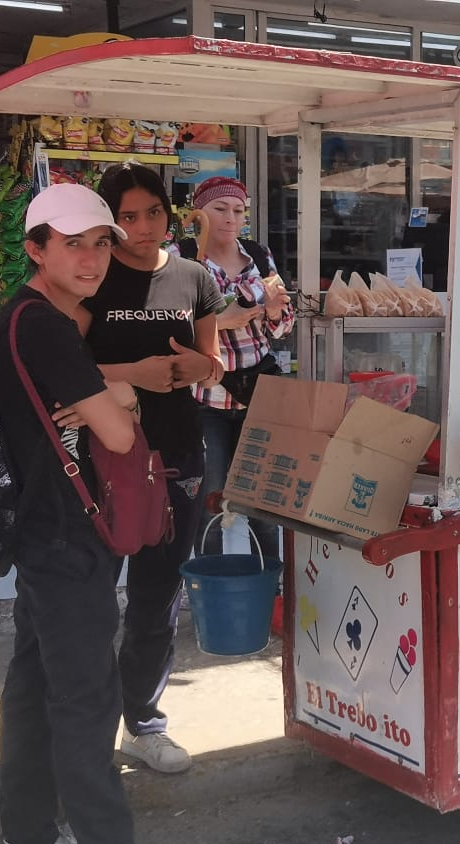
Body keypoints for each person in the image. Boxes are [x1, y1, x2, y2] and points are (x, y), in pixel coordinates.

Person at [0, 183, 142, 844]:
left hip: (41, 530)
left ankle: (27, 838)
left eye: (100, 242)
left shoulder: (20, 316)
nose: (90, 258)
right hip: (68, 539)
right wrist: (125, 401)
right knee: (85, 701)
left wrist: (114, 393)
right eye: (71, 244)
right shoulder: (46, 325)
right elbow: (117, 435)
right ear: (35, 248)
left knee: (33, 685)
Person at [79, 162, 226, 775]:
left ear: (171, 214)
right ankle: (83, 730)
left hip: (179, 458)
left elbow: (211, 362)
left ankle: (142, 721)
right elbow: (60, 370)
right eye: (128, 217)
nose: (143, 228)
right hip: (103, 461)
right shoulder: (93, 278)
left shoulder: (196, 278)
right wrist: (130, 375)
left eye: (154, 213)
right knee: (87, 598)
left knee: (157, 596)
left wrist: (201, 368)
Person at [176, 176, 294, 559]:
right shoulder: (181, 256)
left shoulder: (258, 256)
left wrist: (275, 311)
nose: (230, 218)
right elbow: (170, 323)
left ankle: (269, 586)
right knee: (210, 496)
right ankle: (209, 580)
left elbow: (281, 326)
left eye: (238, 211)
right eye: (219, 209)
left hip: (257, 390)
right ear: (199, 213)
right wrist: (222, 322)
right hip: (205, 395)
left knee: (261, 495)